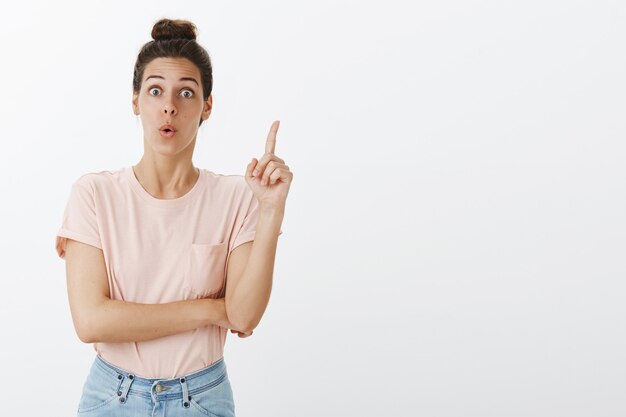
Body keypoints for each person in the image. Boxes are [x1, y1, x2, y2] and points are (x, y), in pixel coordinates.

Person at [55, 17, 292, 416]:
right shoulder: (94, 194)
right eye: (155, 91)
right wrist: (211, 309)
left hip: (201, 398)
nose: (169, 106)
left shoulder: (237, 196)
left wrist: (270, 211)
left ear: (207, 106)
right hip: (113, 397)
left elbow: (246, 313)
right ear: (136, 101)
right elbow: (91, 321)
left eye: (186, 92)